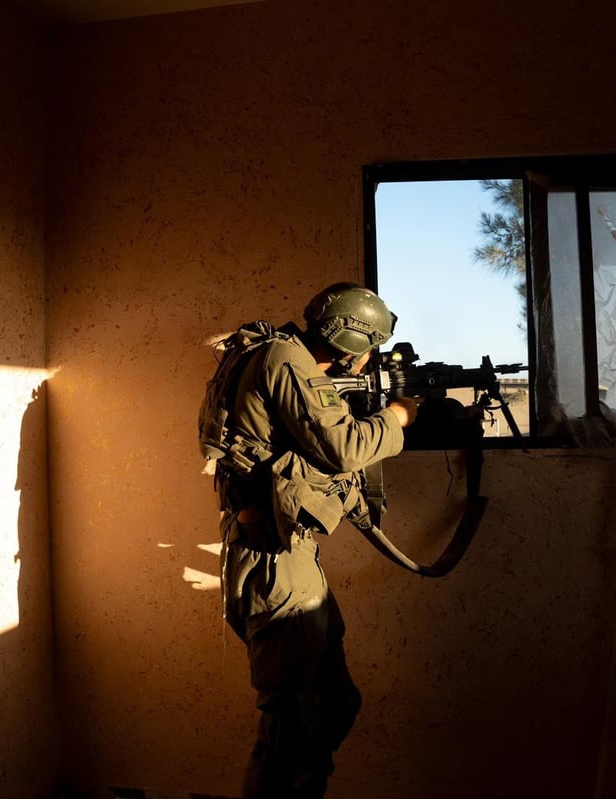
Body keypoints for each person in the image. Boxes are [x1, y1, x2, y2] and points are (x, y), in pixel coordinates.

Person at [212, 283, 418, 798]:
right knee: (292, 727)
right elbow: (343, 446)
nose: (370, 357)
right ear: (352, 341)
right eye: (370, 346)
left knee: (334, 703)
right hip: (274, 561)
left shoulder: (284, 356)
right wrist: (397, 416)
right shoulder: (286, 361)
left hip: (290, 556)